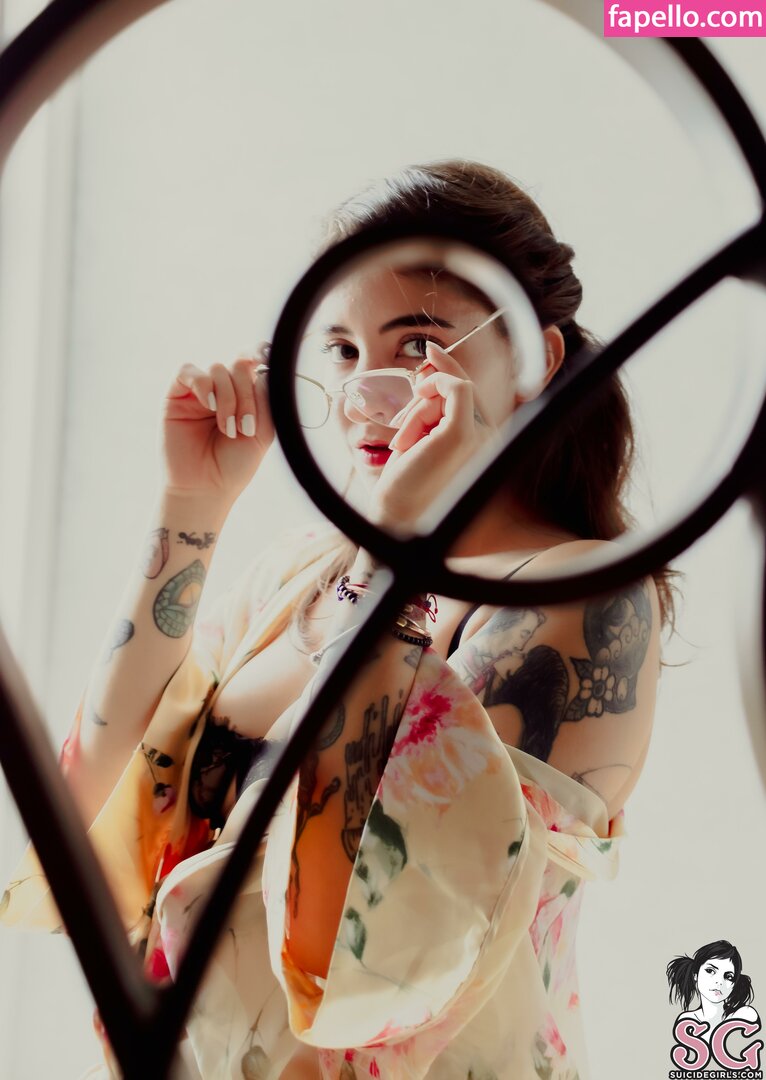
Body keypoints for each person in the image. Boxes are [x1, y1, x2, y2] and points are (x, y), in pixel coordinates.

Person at [1, 160, 679, 1080]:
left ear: (534, 357)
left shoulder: (578, 597)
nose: (366, 394)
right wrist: (192, 506)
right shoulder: (306, 573)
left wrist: (393, 551)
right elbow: (87, 814)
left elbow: (358, 949)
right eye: (343, 351)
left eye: (415, 344)